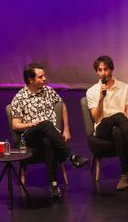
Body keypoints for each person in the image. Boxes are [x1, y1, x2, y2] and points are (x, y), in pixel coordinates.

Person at [10, 62, 88, 199]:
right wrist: (32, 123)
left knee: (48, 141)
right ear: (30, 80)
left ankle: (53, 185)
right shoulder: (19, 98)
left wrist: (66, 129)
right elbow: (15, 125)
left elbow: (62, 105)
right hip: (29, 136)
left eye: (44, 76)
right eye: (40, 77)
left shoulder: (48, 91)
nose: (44, 79)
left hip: (48, 135)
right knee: (45, 124)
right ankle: (71, 156)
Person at [86, 55, 128, 191]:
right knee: (119, 116)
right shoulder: (92, 91)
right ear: (97, 72)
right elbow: (96, 118)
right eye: (100, 70)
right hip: (102, 128)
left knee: (118, 131)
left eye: (106, 69)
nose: (103, 73)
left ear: (112, 69)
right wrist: (101, 99)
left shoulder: (124, 87)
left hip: (120, 127)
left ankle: (125, 175)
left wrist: (126, 122)